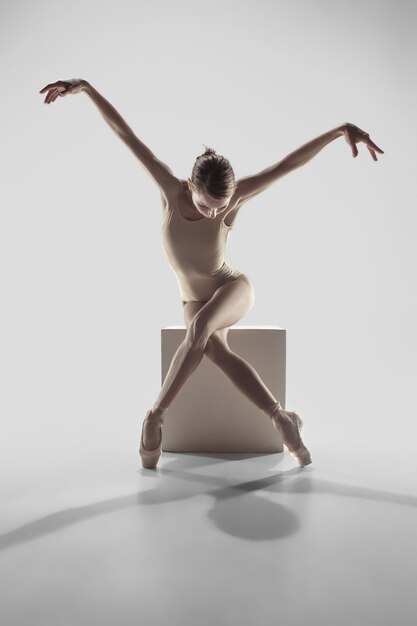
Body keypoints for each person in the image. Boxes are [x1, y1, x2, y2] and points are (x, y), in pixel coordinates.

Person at [39, 78, 384, 470]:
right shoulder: (170, 190)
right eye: (207, 207)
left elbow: (286, 165)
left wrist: (340, 130)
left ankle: (154, 416)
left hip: (232, 288)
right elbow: (126, 134)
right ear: (190, 186)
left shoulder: (232, 201)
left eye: (221, 208)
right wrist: (84, 88)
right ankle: (281, 418)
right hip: (193, 299)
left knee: (201, 327)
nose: (215, 214)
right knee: (214, 348)